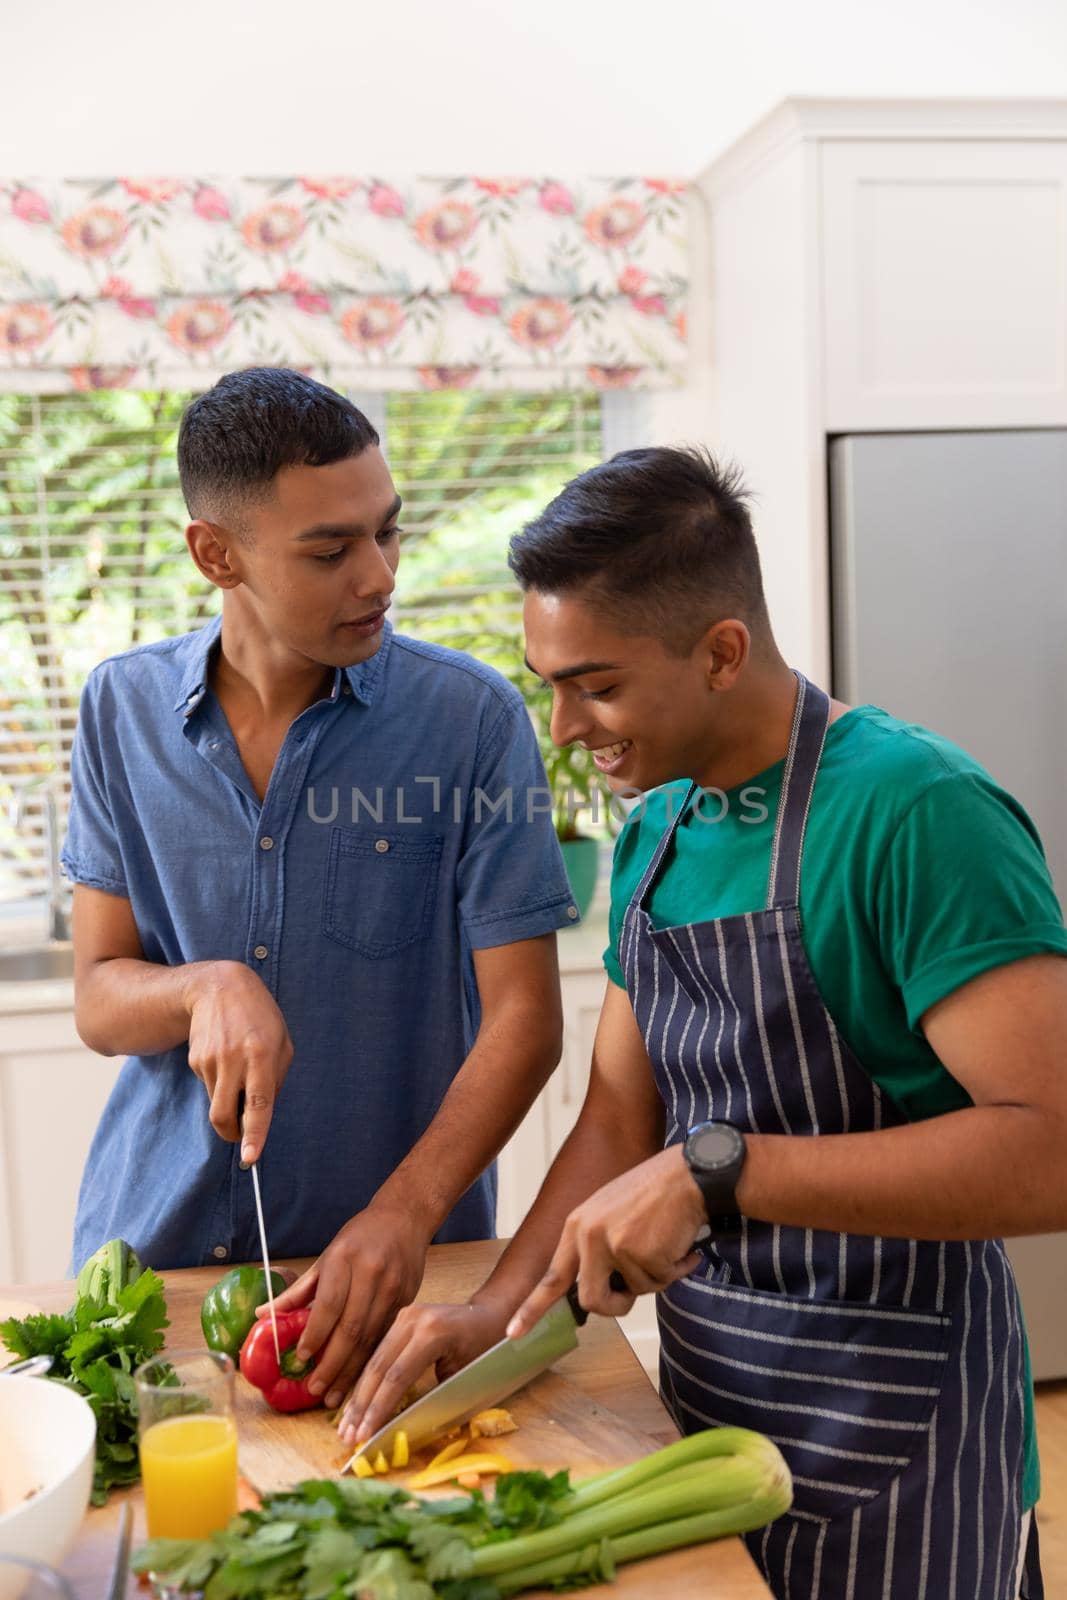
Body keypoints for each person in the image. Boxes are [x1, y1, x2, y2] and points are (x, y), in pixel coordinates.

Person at [340, 447, 1065, 1599]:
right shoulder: (659, 824)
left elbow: (1047, 1150)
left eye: (598, 684)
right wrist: (497, 1312)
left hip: (898, 1415)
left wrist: (720, 1172)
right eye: (549, 686)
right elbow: (621, 1114)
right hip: (712, 1389)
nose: (567, 727)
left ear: (722, 651)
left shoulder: (912, 812)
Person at [61, 367, 578, 1410]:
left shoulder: (471, 724)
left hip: (389, 1279)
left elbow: (524, 1020)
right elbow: (99, 996)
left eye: (386, 532)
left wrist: (404, 1214)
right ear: (217, 552)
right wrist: (200, 985)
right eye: (330, 550)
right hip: (147, 1266)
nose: (378, 574)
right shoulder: (120, 710)